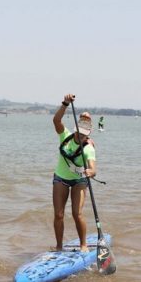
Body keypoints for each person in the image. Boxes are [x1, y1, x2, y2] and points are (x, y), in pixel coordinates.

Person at [52, 94, 96, 252]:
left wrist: (90, 171)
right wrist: (65, 104)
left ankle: (83, 245)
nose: (80, 136)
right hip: (61, 178)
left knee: (77, 213)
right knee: (58, 214)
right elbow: (56, 121)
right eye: (79, 132)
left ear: (88, 135)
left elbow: (93, 168)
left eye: (84, 134)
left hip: (79, 181)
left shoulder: (88, 148)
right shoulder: (66, 136)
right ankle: (59, 246)